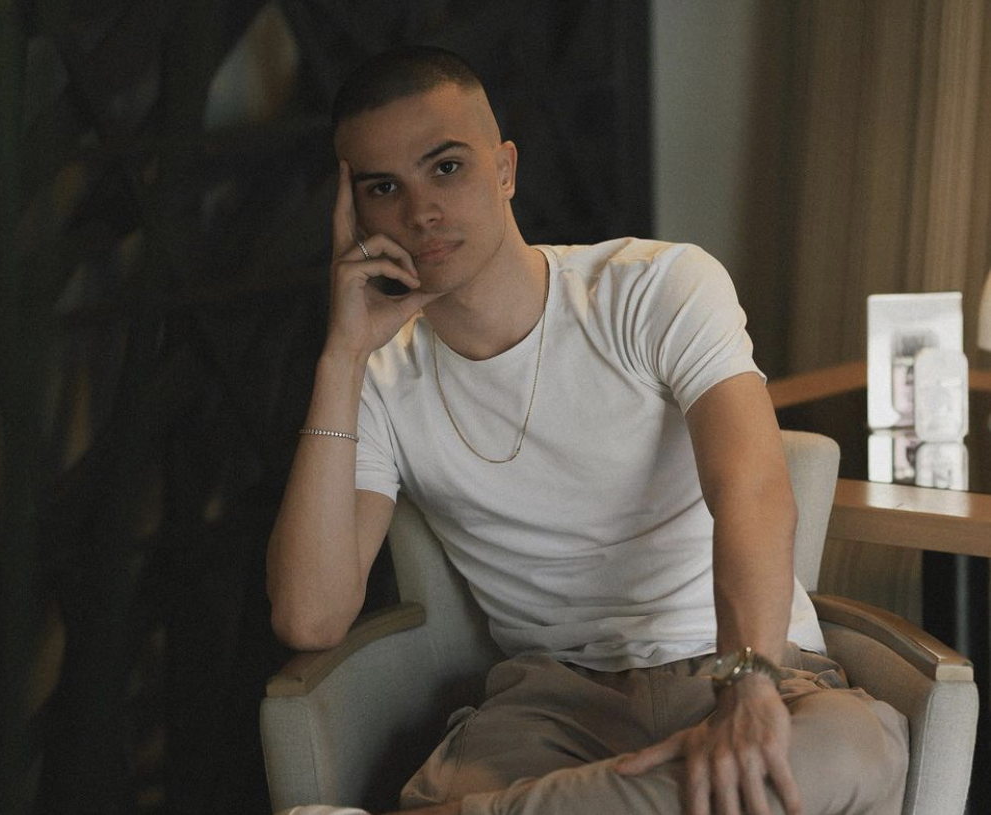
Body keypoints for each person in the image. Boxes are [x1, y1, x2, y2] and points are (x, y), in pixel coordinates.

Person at [266, 45, 908, 815]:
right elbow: (310, 615)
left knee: (852, 751)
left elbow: (754, 491)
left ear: (505, 168)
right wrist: (340, 358)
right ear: (354, 212)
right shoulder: (377, 374)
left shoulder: (654, 287)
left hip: (741, 663)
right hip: (552, 708)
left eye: (447, 168)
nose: (420, 211)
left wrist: (748, 683)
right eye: (383, 188)